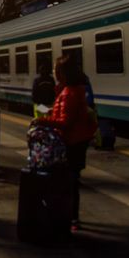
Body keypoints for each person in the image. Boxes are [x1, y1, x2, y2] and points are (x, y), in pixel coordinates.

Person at [35, 54, 98, 231]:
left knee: (69, 182)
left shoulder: (69, 94)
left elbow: (66, 122)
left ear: (62, 72)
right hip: (76, 141)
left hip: (72, 143)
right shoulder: (71, 90)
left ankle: (72, 218)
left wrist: (43, 121)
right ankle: (70, 217)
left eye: (56, 69)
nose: (53, 72)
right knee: (70, 181)